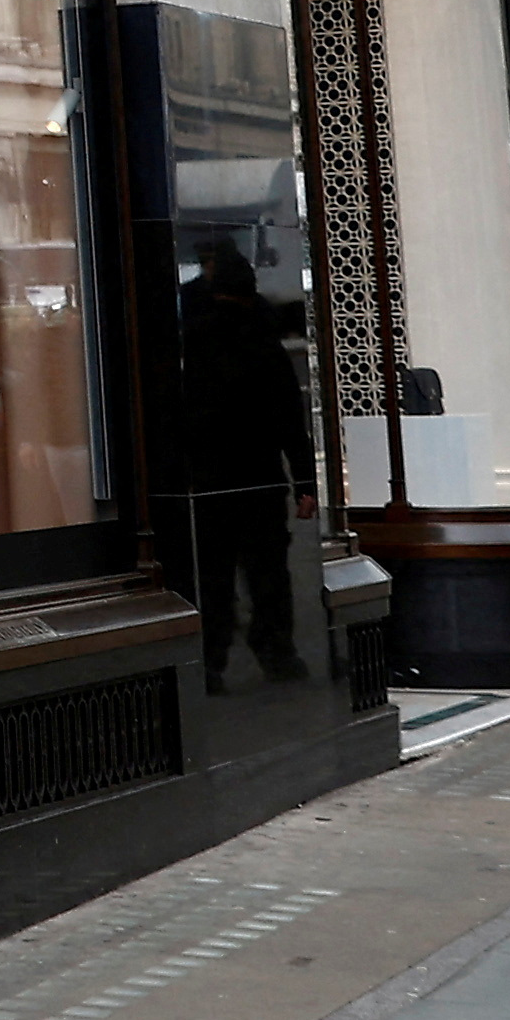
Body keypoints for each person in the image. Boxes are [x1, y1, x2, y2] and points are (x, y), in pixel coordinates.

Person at [173, 239, 315, 694]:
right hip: (259, 476)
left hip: (208, 477)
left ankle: (210, 660)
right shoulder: (263, 342)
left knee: (212, 575)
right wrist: (305, 482)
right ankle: (277, 652)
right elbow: (289, 418)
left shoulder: (191, 343)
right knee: (268, 572)